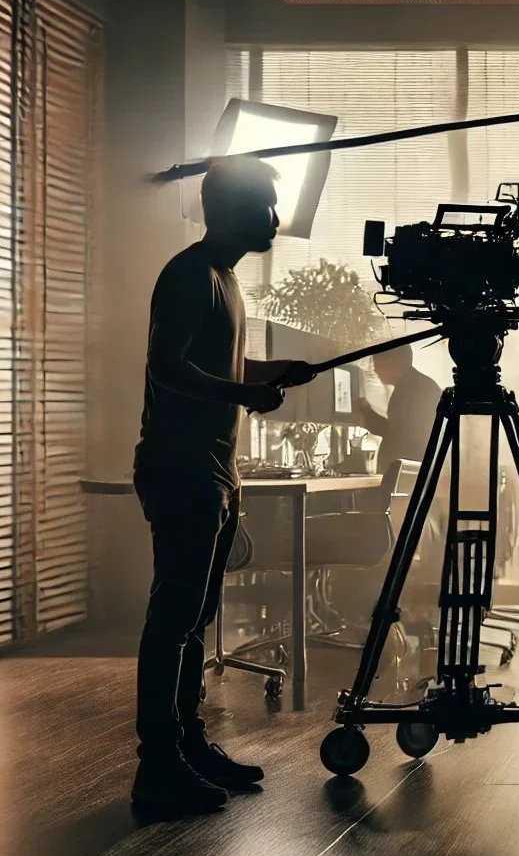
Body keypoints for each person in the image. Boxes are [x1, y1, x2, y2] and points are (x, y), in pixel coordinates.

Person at [131, 157, 317, 814]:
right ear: (234, 209)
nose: (276, 218)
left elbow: (220, 364)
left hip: (215, 470)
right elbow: (166, 366)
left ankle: (187, 744)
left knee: (195, 618)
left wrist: (270, 371)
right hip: (183, 468)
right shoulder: (191, 275)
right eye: (267, 205)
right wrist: (244, 393)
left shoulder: (225, 279)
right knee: (175, 620)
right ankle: (158, 767)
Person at [353, 342, 443, 480]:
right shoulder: (412, 386)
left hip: (410, 475)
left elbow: (400, 437)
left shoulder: (416, 390)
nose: (375, 370)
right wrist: (365, 411)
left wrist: (366, 413)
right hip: (410, 473)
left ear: (398, 361)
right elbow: (396, 430)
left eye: (378, 364)